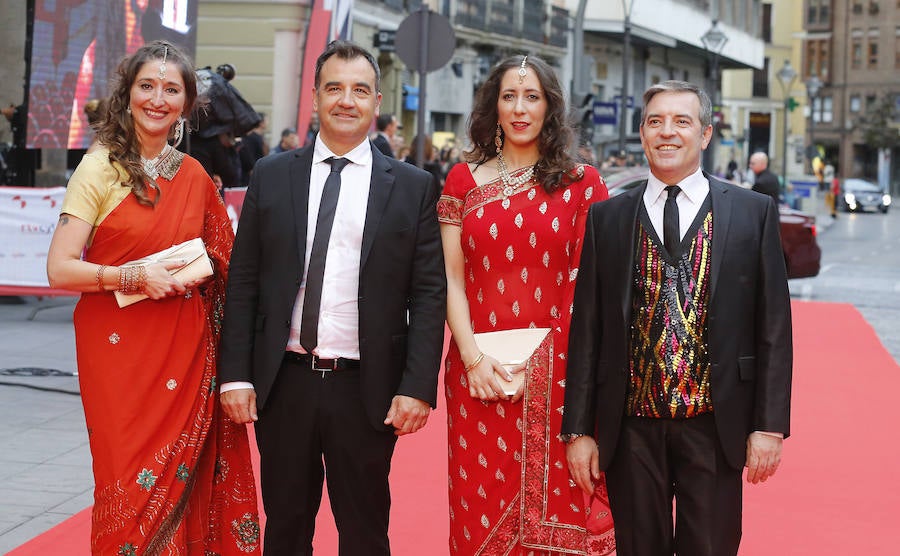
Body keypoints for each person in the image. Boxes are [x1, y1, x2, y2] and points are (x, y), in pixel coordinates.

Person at [218, 40, 446, 555]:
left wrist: (417, 387)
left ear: (377, 101)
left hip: (366, 388)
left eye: (359, 90)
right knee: (286, 529)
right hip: (284, 382)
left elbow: (429, 293)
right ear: (315, 97)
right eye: (334, 88)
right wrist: (235, 374)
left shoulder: (412, 187)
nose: (347, 100)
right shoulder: (271, 175)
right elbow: (245, 281)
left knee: (365, 532)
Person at [45, 40, 261, 555]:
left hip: (185, 355)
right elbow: (59, 268)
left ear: (187, 103)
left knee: (182, 482)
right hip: (117, 355)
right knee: (126, 480)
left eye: (171, 89)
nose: (157, 99)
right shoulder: (97, 170)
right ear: (128, 94)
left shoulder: (192, 178)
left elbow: (228, 270)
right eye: (147, 86)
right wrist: (133, 276)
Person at [562, 80, 793, 556]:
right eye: (655, 122)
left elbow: (774, 328)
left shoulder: (752, 214)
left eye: (681, 121)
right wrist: (579, 430)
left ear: (705, 134)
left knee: (710, 547)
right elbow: (587, 330)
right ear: (643, 135)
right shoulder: (608, 219)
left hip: (715, 422)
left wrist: (769, 426)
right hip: (630, 427)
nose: (667, 133)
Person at [438, 54, 616, 555]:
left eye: (532, 97)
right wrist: (471, 360)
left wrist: (547, 368)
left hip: (560, 383)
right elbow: (451, 278)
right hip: (479, 377)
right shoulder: (462, 181)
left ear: (550, 107)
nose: (520, 109)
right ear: (493, 106)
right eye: (509, 96)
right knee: (478, 513)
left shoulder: (582, 184)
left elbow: (591, 290)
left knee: (568, 513)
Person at [240, 112, 268, 186]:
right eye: (267, 120)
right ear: (261, 123)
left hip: (260, 170)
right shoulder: (251, 137)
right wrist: (252, 170)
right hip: (252, 174)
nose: (268, 122)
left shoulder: (261, 136)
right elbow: (249, 155)